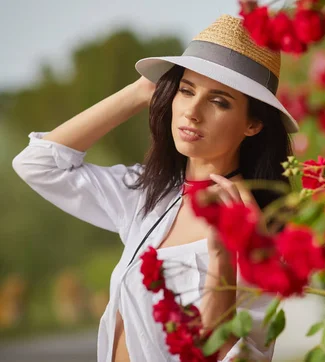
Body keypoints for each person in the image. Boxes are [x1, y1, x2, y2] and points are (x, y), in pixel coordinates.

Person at [12, 14, 299, 362]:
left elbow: (241, 356)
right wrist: (139, 92)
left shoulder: (257, 231)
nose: (192, 111)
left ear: (253, 124)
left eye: (219, 101)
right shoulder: (149, 193)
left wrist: (225, 259)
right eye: (186, 90)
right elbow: (37, 164)